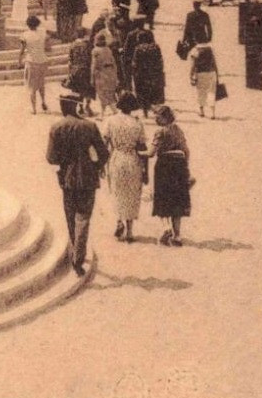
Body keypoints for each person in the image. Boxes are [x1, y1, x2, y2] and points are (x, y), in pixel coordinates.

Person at [45, 96, 109, 275]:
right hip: (88, 177)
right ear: (77, 107)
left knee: (71, 215)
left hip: (67, 179)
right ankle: (78, 258)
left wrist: (65, 161)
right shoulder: (89, 126)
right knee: (83, 217)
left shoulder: (56, 127)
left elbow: (51, 158)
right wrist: (95, 166)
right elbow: (103, 153)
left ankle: (76, 250)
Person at [103, 92, 149, 243]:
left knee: (117, 191)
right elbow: (142, 148)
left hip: (116, 158)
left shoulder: (110, 121)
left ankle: (119, 221)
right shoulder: (137, 123)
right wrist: (146, 171)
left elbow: (104, 144)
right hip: (133, 160)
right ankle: (129, 231)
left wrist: (101, 165)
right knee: (132, 194)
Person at [149, 105, 192, 246]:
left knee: (162, 198)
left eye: (158, 117)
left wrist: (138, 153)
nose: (156, 119)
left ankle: (166, 228)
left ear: (165, 118)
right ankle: (177, 236)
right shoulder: (178, 130)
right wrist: (185, 168)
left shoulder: (160, 132)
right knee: (177, 200)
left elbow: (151, 153)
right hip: (179, 165)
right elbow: (186, 151)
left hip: (165, 165)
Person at [18, 14, 51, 114]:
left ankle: (33, 108)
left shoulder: (25, 35)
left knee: (32, 86)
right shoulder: (42, 33)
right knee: (41, 83)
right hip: (42, 60)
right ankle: (44, 102)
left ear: (28, 24)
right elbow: (48, 48)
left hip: (31, 61)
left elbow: (22, 51)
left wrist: (19, 61)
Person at [131, 27, 167, 119]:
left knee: (143, 93)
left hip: (142, 76)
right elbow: (160, 61)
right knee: (155, 93)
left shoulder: (138, 49)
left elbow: (135, 63)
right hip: (154, 74)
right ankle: (157, 112)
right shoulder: (156, 47)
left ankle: (145, 112)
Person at [91, 32, 121, 116]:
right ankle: (103, 112)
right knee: (109, 92)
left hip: (101, 72)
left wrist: (91, 77)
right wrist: (116, 74)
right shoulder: (108, 49)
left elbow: (94, 64)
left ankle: (114, 111)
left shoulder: (95, 50)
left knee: (102, 93)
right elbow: (114, 62)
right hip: (110, 71)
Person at [190, 42, 220, 119]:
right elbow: (214, 62)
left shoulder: (195, 50)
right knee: (211, 92)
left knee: (201, 92)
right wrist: (217, 74)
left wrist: (191, 75)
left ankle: (202, 112)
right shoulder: (210, 49)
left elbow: (193, 64)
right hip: (211, 72)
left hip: (200, 73)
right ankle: (212, 113)